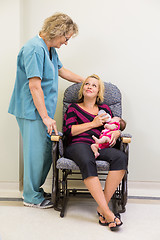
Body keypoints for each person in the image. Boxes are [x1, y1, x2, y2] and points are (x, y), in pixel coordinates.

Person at [8, 13, 84, 209]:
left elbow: (61, 70)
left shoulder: (49, 49)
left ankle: (35, 190)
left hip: (42, 112)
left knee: (43, 153)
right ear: (58, 31)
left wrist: (85, 81)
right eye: (66, 38)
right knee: (35, 155)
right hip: (32, 111)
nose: (66, 43)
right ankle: (31, 197)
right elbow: (34, 86)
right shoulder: (34, 49)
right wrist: (45, 117)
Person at [63, 74, 127, 231]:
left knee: (120, 157)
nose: (89, 86)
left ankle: (101, 208)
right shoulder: (73, 108)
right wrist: (93, 123)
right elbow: (68, 131)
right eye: (87, 84)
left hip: (99, 145)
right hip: (77, 145)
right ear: (83, 88)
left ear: (98, 92)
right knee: (87, 160)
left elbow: (115, 125)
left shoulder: (105, 110)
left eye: (94, 85)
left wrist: (116, 134)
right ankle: (107, 212)